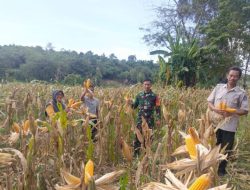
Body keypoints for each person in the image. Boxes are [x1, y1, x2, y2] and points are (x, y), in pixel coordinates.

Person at [207, 66, 249, 176]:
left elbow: (245, 111)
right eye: (231, 75)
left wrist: (232, 112)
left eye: (236, 76)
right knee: (213, 146)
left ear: (239, 78)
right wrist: (215, 109)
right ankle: (211, 166)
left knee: (226, 149)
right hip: (215, 123)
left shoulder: (241, 93)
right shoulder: (218, 88)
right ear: (227, 76)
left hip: (229, 126)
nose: (232, 78)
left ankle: (221, 171)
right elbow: (210, 102)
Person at [126, 79, 161, 156]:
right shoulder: (139, 95)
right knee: (137, 137)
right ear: (143, 85)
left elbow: (158, 109)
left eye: (148, 84)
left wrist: (158, 119)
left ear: (151, 85)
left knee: (148, 138)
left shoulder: (155, 96)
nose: (147, 86)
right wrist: (129, 103)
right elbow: (134, 106)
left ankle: (147, 155)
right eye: (145, 84)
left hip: (149, 120)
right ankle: (136, 155)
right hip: (140, 120)